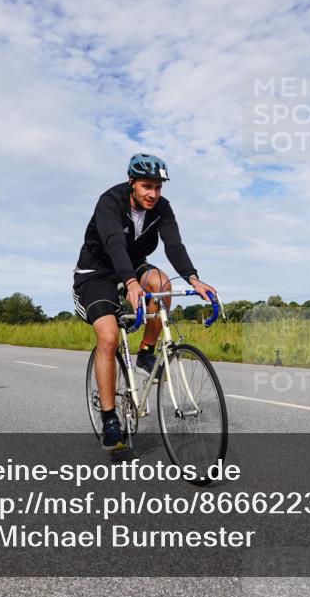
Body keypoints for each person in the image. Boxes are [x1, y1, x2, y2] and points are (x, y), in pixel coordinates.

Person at [73, 153, 216, 450]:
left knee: (162, 285)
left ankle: (146, 351)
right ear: (132, 183)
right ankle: (110, 418)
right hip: (97, 271)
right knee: (109, 336)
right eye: (147, 186)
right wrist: (130, 282)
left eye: (158, 187)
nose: (153, 194)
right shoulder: (110, 202)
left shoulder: (162, 208)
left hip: (133, 264)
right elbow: (113, 242)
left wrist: (192, 277)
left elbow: (174, 244)